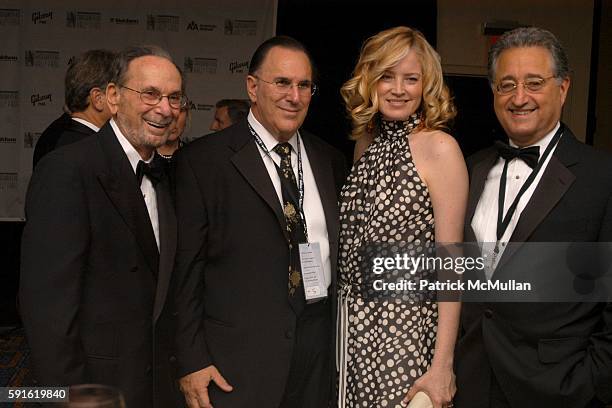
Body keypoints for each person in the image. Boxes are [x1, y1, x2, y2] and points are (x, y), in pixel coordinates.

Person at [173, 36, 347, 408]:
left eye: (304, 86)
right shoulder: (204, 162)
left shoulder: (329, 160)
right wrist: (192, 360)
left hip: (318, 355)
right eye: (282, 83)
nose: (294, 96)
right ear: (252, 87)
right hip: (236, 364)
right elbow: (185, 272)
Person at [20, 45, 185, 408]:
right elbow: (48, 310)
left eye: (174, 97)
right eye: (150, 94)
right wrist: (72, 397)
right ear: (113, 96)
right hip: (98, 389)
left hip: (160, 386)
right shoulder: (67, 170)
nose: (165, 109)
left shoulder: (171, 176)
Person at [455, 27, 612, 407]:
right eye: (507, 84)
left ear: (563, 88)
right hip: (471, 384)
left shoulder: (602, 177)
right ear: (493, 93)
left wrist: (589, 384)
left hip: (558, 390)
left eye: (534, 83)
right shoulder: (470, 169)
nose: (519, 97)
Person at [338, 26, 467, 408]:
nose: (398, 89)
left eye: (411, 79)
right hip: (352, 332)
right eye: (386, 77)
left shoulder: (440, 147)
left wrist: (443, 364)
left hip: (407, 333)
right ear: (369, 82)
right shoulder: (366, 143)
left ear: (426, 85)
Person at [33, 49, 115, 168]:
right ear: (98, 99)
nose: (126, 101)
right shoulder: (88, 150)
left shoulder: (56, 135)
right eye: (116, 93)